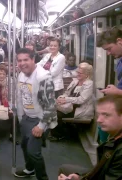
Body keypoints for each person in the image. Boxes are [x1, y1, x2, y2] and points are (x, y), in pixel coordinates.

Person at [14, 48, 57, 180]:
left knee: (33, 152)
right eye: (19, 60)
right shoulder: (21, 75)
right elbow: (20, 97)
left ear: (33, 60)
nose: (22, 63)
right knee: (24, 146)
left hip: (40, 119)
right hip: (26, 117)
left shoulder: (43, 77)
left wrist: (41, 126)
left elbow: (50, 104)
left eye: (26, 59)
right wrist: (21, 117)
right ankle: (30, 169)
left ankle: (42, 178)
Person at [58, 95, 122, 180]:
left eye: (106, 115)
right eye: (99, 115)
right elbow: (100, 170)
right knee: (64, 168)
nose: (99, 120)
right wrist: (80, 177)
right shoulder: (114, 135)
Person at [49, 63, 94, 141]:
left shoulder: (89, 84)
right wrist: (61, 98)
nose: (77, 74)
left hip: (79, 109)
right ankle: (57, 132)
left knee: (55, 114)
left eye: (80, 73)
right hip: (69, 106)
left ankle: (59, 135)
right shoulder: (75, 81)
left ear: (87, 74)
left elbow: (81, 99)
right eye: (77, 72)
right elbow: (67, 93)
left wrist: (66, 100)